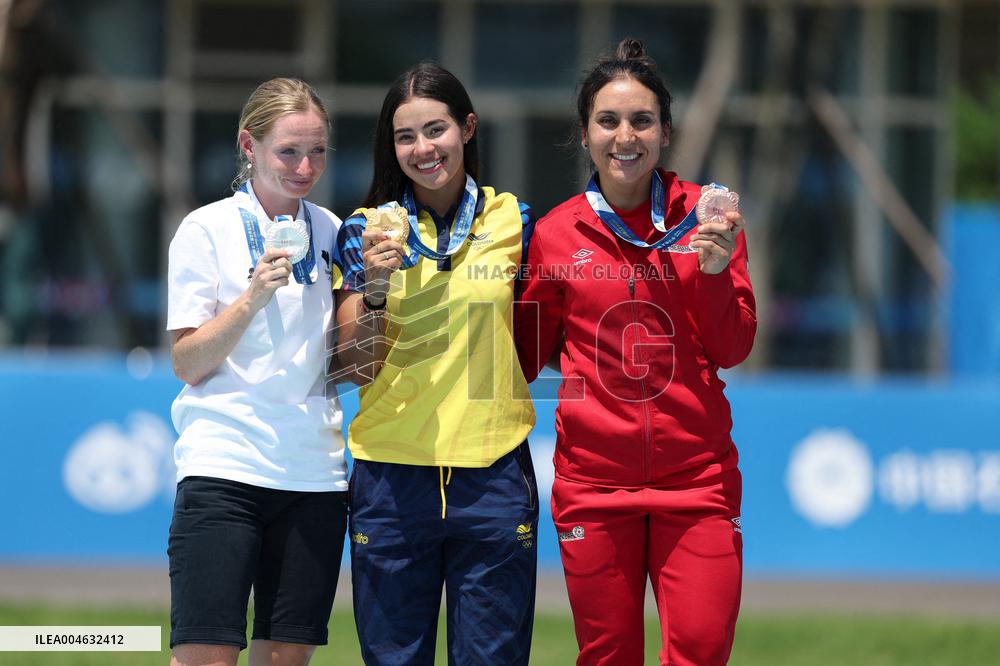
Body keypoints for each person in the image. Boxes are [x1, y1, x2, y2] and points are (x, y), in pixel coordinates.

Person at [515, 38, 756, 666]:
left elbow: (731, 348)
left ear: (665, 131)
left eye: (642, 120)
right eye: (609, 120)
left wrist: (713, 272)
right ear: (586, 133)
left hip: (696, 482)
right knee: (608, 655)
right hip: (594, 485)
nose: (626, 135)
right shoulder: (555, 233)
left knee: (701, 650)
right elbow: (527, 354)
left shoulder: (709, 219)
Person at [331, 61, 538, 665]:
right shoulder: (361, 231)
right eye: (405, 136)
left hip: (492, 477)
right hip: (391, 483)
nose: (423, 148)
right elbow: (353, 367)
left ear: (468, 128)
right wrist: (372, 286)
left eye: (436, 129)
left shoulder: (515, 220)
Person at [165, 78, 347, 666]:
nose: (304, 166)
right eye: (288, 151)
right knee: (205, 657)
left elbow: (346, 362)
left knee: (284, 660)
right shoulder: (205, 228)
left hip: (314, 475)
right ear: (249, 144)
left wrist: (376, 297)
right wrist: (250, 299)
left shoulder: (336, 232)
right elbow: (187, 362)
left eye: (317, 151)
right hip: (224, 465)